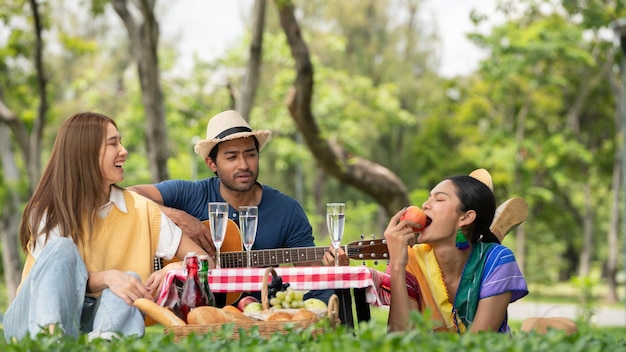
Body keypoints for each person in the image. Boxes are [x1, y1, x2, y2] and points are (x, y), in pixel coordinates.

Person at [3, 112, 210, 341]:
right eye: (113, 143)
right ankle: (51, 343)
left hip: (94, 319)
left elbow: (205, 261)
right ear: (86, 153)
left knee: (130, 279)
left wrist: (175, 268)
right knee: (63, 250)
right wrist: (108, 277)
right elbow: (56, 278)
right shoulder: (49, 210)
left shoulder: (143, 210)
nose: (124, 150)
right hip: (32, 318)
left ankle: (106, 343)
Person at [129, 110, 339, 306]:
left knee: (331, 292)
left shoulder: (287, 210)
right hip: (198, 312)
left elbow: (312, 274)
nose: (244, 165)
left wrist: (331, 269)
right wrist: (178, 218)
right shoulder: (190, 194)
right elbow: (130, 195)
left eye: (250, 154)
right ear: (212, 163)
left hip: (261, 314)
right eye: (231, 157)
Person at [382, 174, 528, 333]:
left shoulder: (497, 260)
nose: (424, 205)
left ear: (465, 217)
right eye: (428, 198)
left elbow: (479, 344)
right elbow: (399, 339)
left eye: (439, 199)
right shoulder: (410, 261)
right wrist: (397, 265)